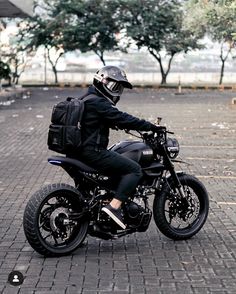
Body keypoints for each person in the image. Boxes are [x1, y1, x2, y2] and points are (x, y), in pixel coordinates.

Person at [77, 66, 159, 230]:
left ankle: (82, 227)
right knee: (135, 169)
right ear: (102, 82)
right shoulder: (98, 102)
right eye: (115, 87)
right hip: (93, 153)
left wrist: (111, 122)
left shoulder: (86, 98)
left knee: (87, 192)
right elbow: (122, 118)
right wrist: (149, 126)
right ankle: (114, 206)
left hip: (77, 152)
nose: (117, 92)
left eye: (119, 88)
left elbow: (98, 120)